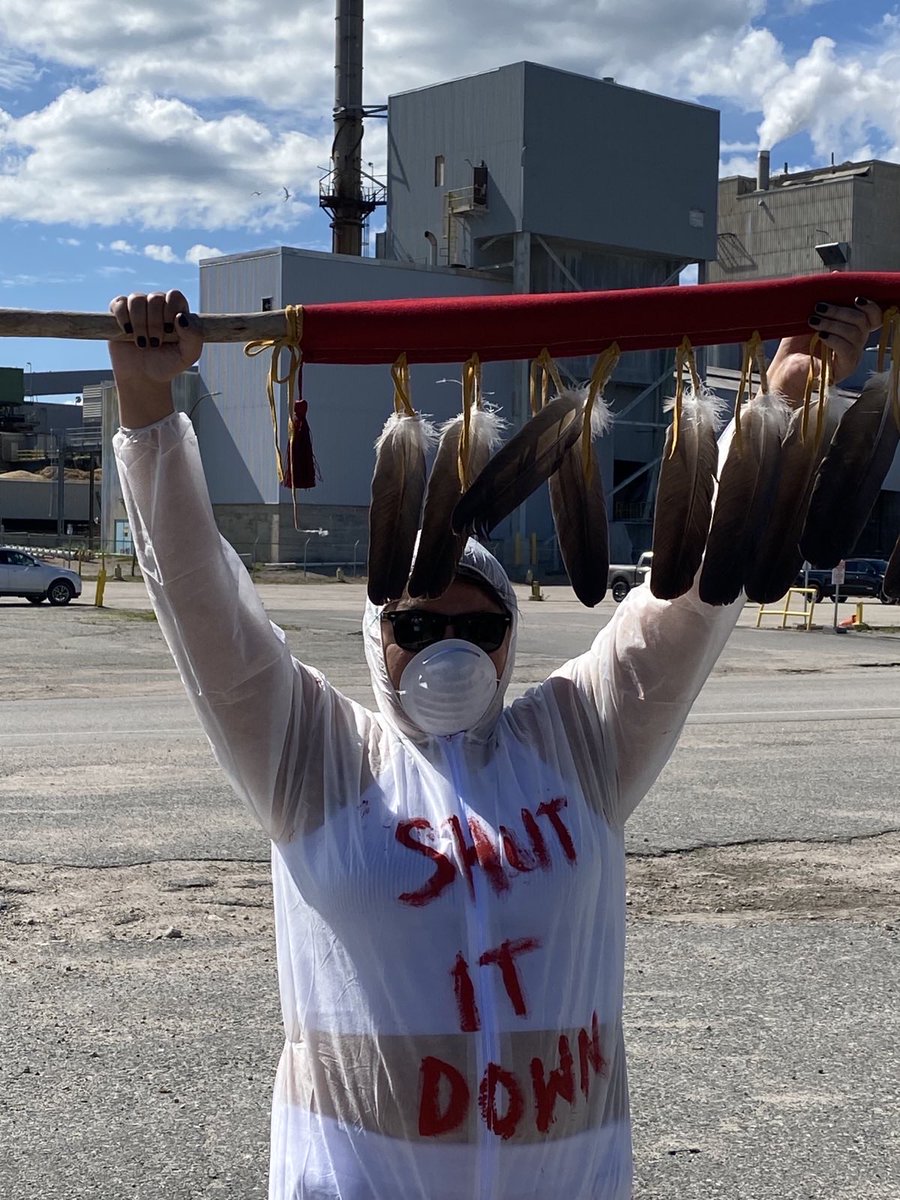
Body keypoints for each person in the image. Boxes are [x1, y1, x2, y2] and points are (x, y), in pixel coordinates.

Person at [109, 291, 880, 1200]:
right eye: (419, 625)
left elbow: (685, 597)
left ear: (513, 639)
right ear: (377, 636)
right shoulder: (312, 760)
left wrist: (782, 397)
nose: (450, 650)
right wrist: (147, 406)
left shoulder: (578, 743)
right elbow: (203, 606)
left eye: (480, 630)